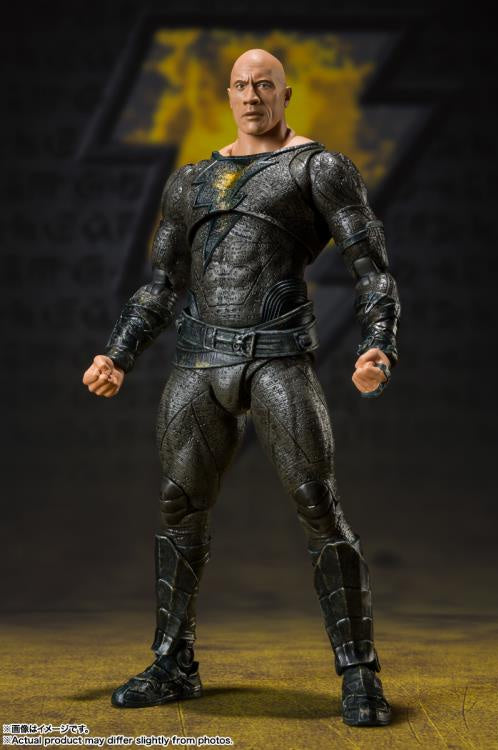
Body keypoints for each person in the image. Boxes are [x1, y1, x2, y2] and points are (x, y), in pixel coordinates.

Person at [83, 48, 400, 727]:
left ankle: (359, 673)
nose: (252, 96)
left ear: (286, 94)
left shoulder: (318, 168)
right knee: (178, 506)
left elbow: (372, 268)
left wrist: (378, 342)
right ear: (227, 95)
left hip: (278, 358)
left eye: (264, 85)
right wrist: (117, 353)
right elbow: (162, 285)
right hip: (199, 360)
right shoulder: (190, 181)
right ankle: (173, 663)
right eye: (241, 85)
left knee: (317, 503)